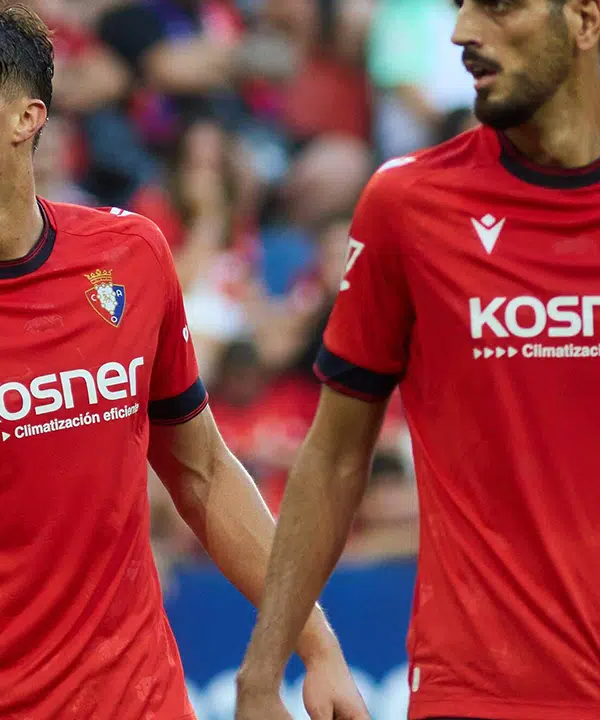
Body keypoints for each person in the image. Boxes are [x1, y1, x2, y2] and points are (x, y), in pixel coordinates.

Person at [0, 3, 366, 719]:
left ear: (26, 118)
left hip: (144, 701)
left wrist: (319, 646)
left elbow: (204, 471)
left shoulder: (132, 254)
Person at [235, 0, 600, 718]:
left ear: (585, 20)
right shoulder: (409, 204)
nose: (463, 32)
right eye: (461, 7)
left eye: (498, 7)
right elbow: (336, 455)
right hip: (479, 692)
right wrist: (263, 669)